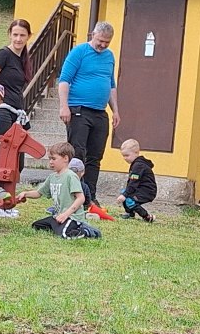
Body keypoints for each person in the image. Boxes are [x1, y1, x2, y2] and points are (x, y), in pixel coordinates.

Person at [58, 21, 120, 205]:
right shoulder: (79, 52)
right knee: (77, 153)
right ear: (93, 35)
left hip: (99, 112)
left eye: (107, 42)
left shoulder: (109, 56)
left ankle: (90, 196)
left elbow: (111, 85)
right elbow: (64, 80)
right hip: (79, 110)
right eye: (100, 41)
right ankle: (74, 194)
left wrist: (115, 110)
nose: (103, 45)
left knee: (95, 156)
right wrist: (64, 106)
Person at [0, 19, 32, 218]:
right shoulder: (3, 54)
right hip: (2, 112)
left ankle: (4, 203)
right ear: (9, 35)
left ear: (28, 36)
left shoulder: (23, 59)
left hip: (16, 113)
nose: (18, 39)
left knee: (17, 162)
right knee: (0, 158)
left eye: (22, 35)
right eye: (15, 34)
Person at [17, 142, 100, 239]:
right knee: (36, 226)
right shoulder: (52, 177)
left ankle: (87, 231)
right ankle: (60, 227)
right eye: (49, 159)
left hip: (72, 217)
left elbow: (81, 198)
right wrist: (25, 194)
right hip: (58, 215)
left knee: (64, 235)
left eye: (54, 159)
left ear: (65, 158)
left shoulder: (71, 176)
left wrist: (65, 214)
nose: (50, 162)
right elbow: (39, 193)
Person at [116, 139, 156, 222]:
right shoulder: (136, 164)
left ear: (136, 153)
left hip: (147, 191)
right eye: (123, 156)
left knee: (129, 199)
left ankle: (147, 216)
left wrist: (125, 195)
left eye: (127, 155)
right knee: (125, 193)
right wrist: (125, 193)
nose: (125, 158)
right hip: (139, 188)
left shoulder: (138, 166)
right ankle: (130, 213)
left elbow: (133, 183)